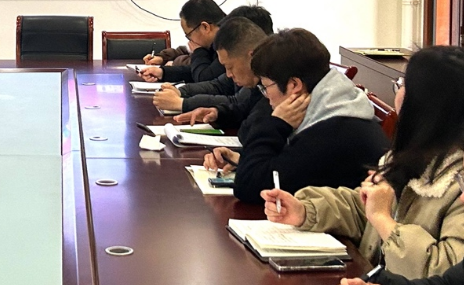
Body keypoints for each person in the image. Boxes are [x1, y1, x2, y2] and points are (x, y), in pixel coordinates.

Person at [263, 46, 464, 281]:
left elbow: (444, 273)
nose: (399, 92)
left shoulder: (458, 183)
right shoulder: (414, 155)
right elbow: (365, 209)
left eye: (403, 84)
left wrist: (384, 220)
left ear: (425, 103)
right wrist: (305, 211)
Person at [205, 28, 389, 203]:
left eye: (266, 87)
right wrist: (243, 159)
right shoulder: (332, 107)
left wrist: (276, 123)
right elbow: (290, 163)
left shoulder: (332, 131)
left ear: (294, 85)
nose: (266, 96)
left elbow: (248, 186)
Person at [166, 16, 271, 144]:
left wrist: (184, 103)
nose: (229, 74)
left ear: (252, 56)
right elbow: (243, 108)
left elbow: (251, 133)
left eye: (230, 67)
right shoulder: (259, 82)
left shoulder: (275, 86)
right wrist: (218, 113)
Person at [153, 5, 274, 114]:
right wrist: (180, 91)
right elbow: (219, 85)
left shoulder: (272, 76)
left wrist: (183, 103)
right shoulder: (233, 56)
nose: (229, 74)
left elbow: (237, 102)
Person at [140, 0, 226, 84]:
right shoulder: (216, 40)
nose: (190, 41)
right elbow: (196, 71)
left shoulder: (229, 43)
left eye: (189, 35)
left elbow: (205, 78)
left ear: (205, 27)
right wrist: (162, 73)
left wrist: (198, 51)